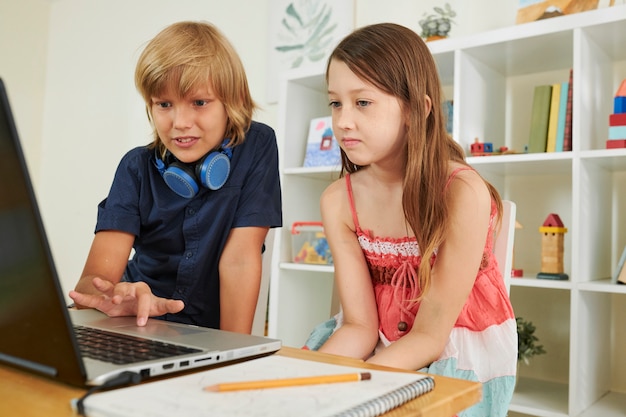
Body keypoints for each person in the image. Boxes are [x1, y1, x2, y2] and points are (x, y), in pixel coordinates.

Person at [304, 23, 516, 416]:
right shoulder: (338, 201)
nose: (343, 121)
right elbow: (359, 327)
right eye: (335, 103)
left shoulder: (461, 193)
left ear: (417, 109)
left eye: (362, 103)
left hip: (451, 348)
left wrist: (356, 390)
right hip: (376, 342)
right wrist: (309, 383)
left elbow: (431, 337)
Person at [69, 21, 282, 334]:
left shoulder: (257, 146)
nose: (180, 122)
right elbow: (91, 287)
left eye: (199, 102)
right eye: (164, 104)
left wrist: (233, 354)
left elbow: (239, 260)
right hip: (137, 326)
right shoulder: (135, 167)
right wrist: (114, 296)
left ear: (231, 101)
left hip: (209, 335)